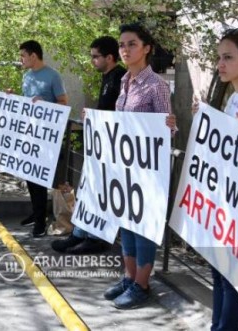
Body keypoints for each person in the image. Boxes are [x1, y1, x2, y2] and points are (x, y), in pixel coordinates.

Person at [103, 23, 177, 309]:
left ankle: (142, 284)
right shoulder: (125, 81)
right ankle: (129, 277)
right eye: (122, 44)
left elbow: (166, 130)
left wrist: (170, 125)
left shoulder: (156, 85)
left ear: (146, 48)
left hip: (147, 172)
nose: (125, 49)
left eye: (131, 44)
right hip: (125, 168)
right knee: (128, 225)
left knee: (144, 227)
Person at [193, 25, 238, 331]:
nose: (220, 64)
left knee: (233, 279)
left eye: (228, 57)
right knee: (219, 273)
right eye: (218, 57)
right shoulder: (234, 99)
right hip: (225, 204)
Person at [52, 36, 126, 254]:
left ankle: (97, 238)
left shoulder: (120, 77)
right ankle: (80, 233)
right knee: (89, 190)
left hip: (113, 147)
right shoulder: (109, 77)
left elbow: (120, 115)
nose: (92, 61)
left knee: (102, 193)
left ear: (109, 58)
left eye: (96, 57)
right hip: (101, 143)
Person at [16, 40, 68, 238]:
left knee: (40, 179)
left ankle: (40, 220)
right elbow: (26, 102)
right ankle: (37, 212)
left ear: (33, 56)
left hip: (47, 136)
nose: (21, 59)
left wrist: (46, 103)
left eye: (23, 55)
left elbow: (63, 103)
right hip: (29, 133)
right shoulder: (27, 76)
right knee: (30, 176)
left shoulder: (53, 75)